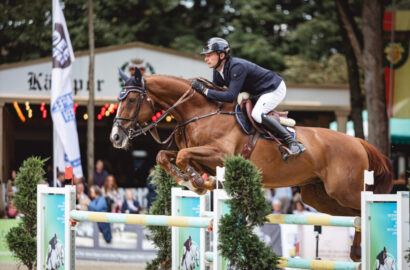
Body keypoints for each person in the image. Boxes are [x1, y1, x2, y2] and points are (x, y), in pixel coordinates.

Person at [191, 37, 306, 156]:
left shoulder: (237, 67)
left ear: (221, 55)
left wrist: (205, 91)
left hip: (273, 88)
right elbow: (217, 91)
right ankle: (276, 122)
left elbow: (230, 96)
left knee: (257, 114)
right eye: (206, 55)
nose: (206, 59)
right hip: (257, 92)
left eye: (209, 55)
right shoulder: (218, 70)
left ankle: (292, 142)